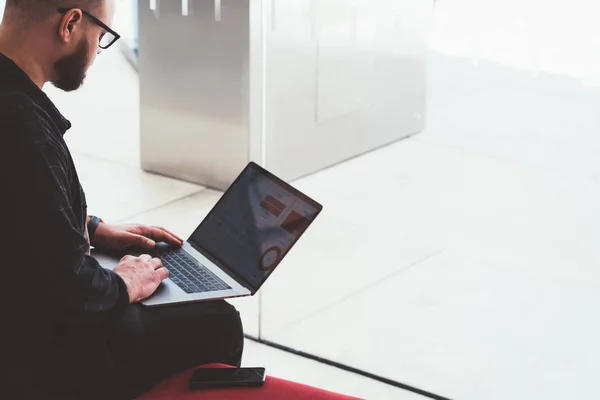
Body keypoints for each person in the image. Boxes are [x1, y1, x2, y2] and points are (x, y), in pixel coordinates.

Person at [0, 1, 244, 398]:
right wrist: (123, 282)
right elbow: (70, 290)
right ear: (71, 24)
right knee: (220, 321)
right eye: (102, 36)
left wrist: (92, 228)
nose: (98, 51)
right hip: (31, 352)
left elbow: (15, 203)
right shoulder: (25, 129)